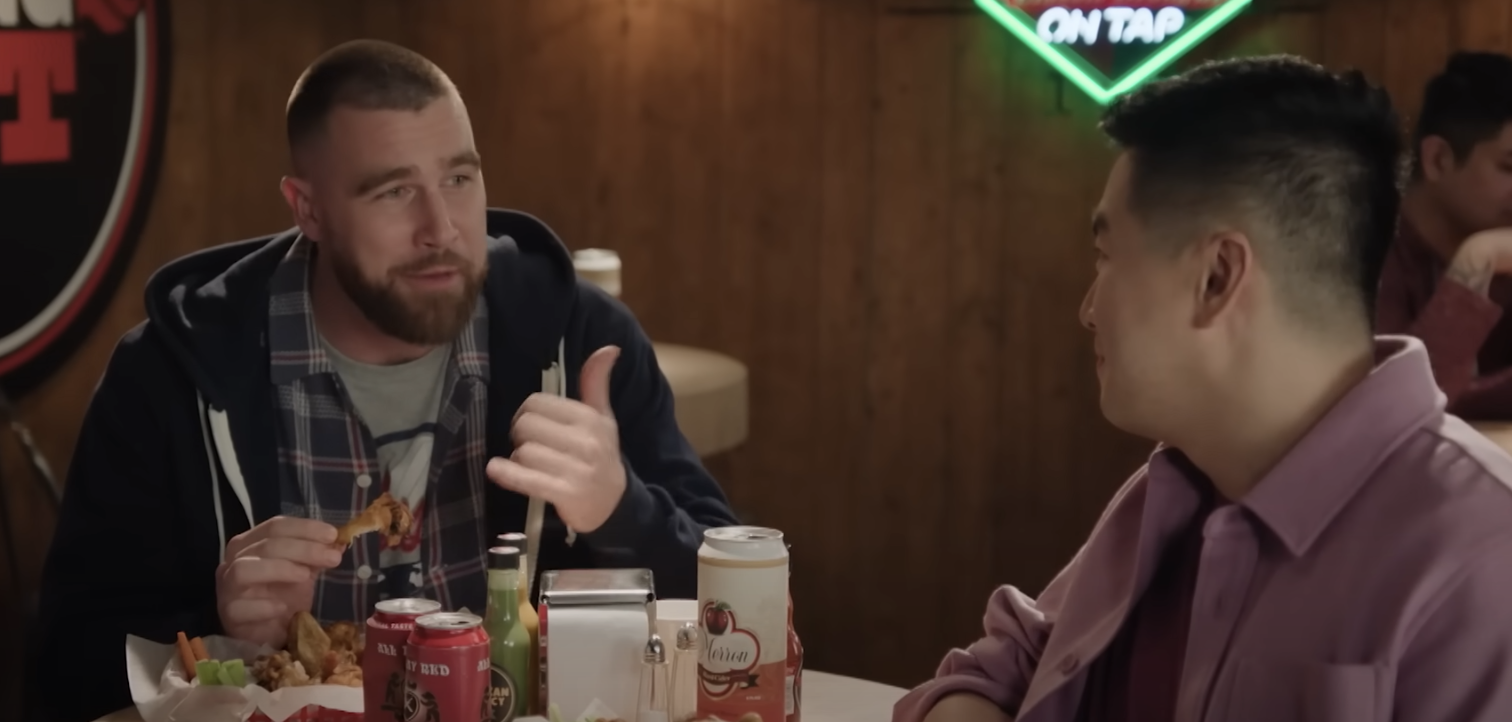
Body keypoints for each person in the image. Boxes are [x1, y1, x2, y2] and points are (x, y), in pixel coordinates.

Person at [25, 39, 738, 722]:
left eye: (459, 179)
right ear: (308, 209)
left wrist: (621, 511)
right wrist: (217, 628)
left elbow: (738, 619)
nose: (442, 228)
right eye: (394, 192)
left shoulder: (581, 339)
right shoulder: (167, 376)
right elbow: (60, 677)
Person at [894, 56, 1512, 722]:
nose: (1087, 308)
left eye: (1107, 256)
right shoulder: (1180, 481)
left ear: (1217, 277)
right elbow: (1010, 663)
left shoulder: (1482, 559)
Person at [1377, 52, 1512, 419]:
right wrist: (1477, 260)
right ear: (1438, 159)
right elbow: (1398, 414)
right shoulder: (1363, 250)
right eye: (1509, 167)